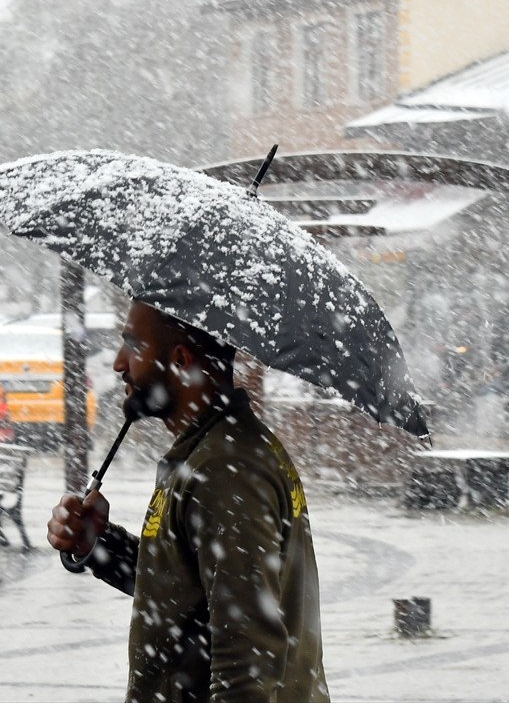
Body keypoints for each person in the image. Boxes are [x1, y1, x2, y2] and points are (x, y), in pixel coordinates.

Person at [48, 300, 330, 702]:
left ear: (180, 360)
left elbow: (246, 667)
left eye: (133, 346)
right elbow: (184, 591)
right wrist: (97, 543)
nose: (118, 362)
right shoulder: (211, 453)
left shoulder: (224, 471)